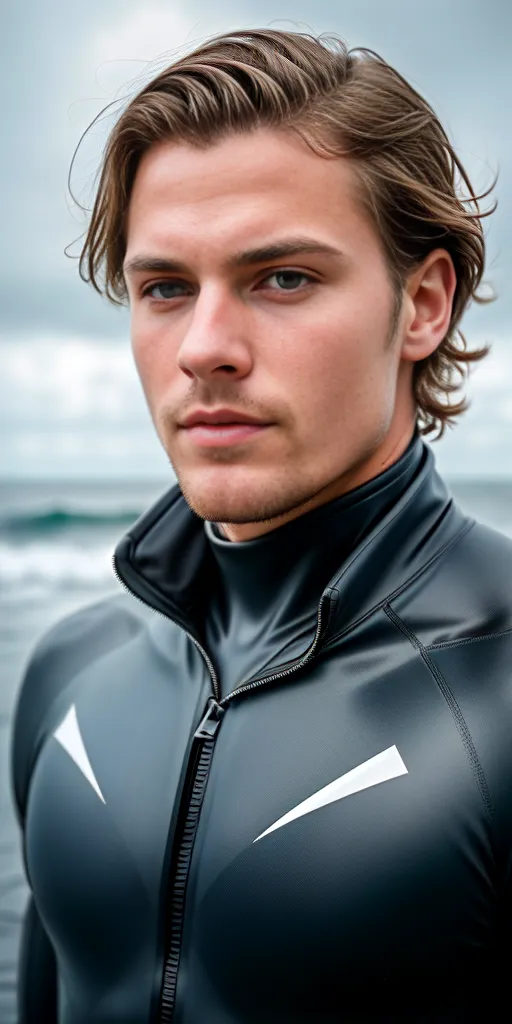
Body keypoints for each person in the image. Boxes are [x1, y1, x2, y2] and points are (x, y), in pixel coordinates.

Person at [10, 25, 510, 1024]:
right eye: (163, 288)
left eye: (280, 278)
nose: (203, 347)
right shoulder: (71, 674)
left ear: (420, 304)